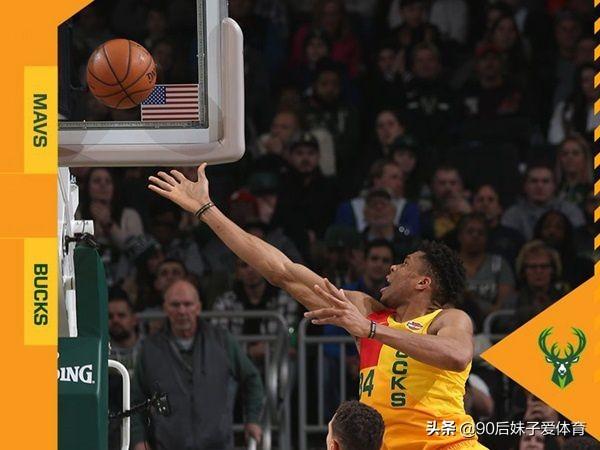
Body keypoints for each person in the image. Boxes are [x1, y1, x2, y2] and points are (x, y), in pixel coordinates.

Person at [147, 164, 487, 449]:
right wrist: (206, 209)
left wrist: (371, 330)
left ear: (423, 283)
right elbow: (282, 271)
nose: (392, 268)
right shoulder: (366, 311)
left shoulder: (447, 319)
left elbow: (458, 355)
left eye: (405, 263)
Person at [131, 279, 264, 450]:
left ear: (198, 307)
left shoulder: (222, 341)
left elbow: (251, 378)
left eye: (188, 304)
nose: (182, 311)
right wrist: (138, 440)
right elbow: (135, 398)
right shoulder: (150, 349)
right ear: (165, 308)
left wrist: (252, 420)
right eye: (175, 305)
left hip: (218, 446)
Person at [501, 163, 585, 241]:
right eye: (534, 181)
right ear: (525, 186)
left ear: (554, 186)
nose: (539, 186)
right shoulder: (512, 214)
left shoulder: (570, 211)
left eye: (545, 181)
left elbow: (578, 240)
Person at [554, 135, 593, 209]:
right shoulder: (552, 189)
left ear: (585, 158)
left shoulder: (595, 188)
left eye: (575, 153)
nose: (570, 157)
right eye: (565, 154)